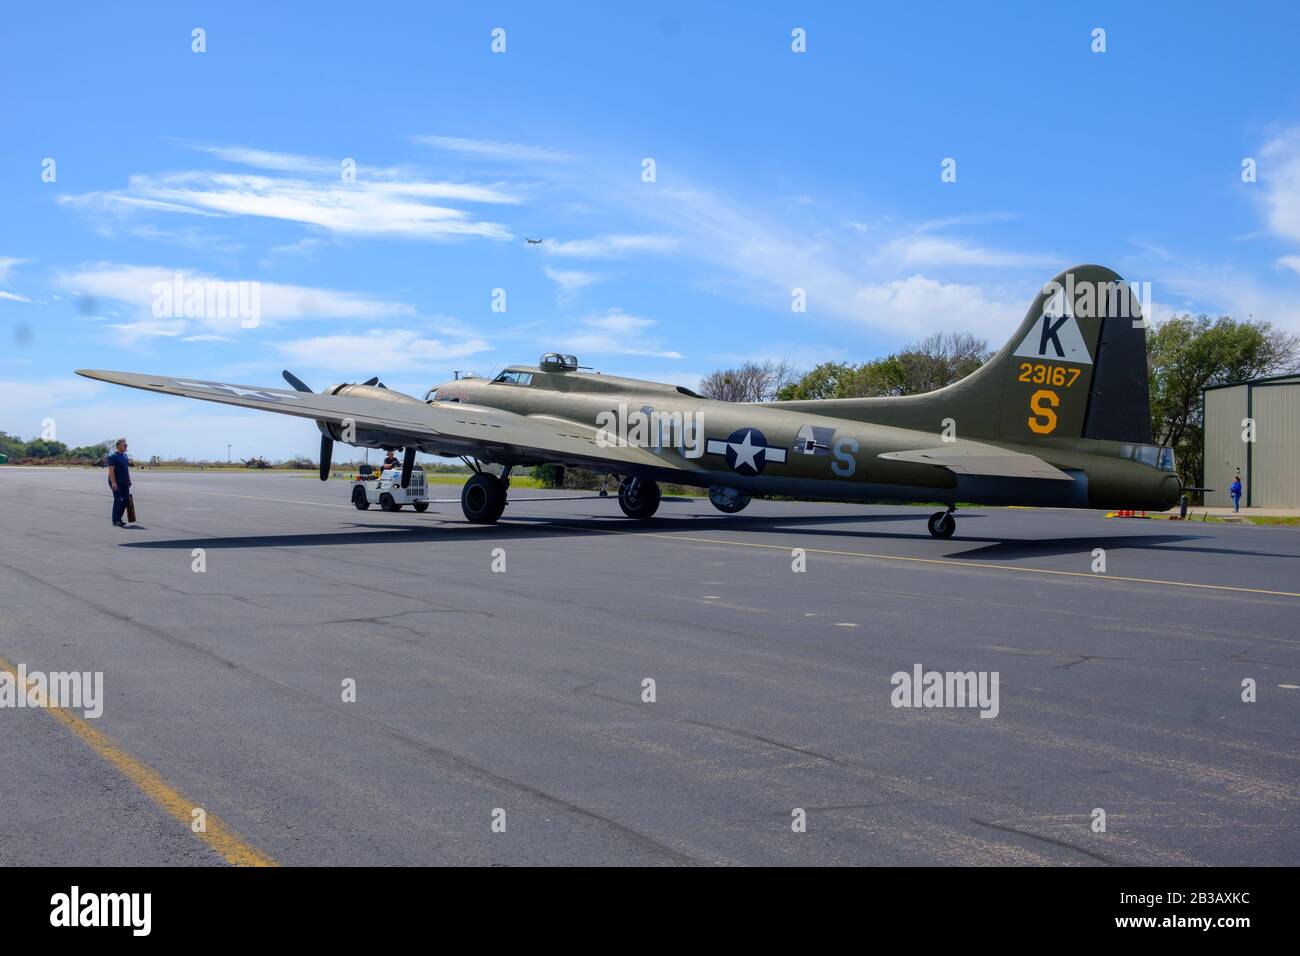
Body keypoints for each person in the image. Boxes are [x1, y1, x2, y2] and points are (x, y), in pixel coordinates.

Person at [106, 438, 132, 527]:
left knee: (126, 499)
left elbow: (126, 469)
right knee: (117, 499)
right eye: (124, 444)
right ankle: (115, 520)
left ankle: (119, 518)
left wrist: (129, 480)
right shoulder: (112, 456)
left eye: (126, 444)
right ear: (118, 446)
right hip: (116, 481)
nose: (126, 446)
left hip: (125, 482)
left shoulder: (125, 456)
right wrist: (113, 482)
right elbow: (111, 471)